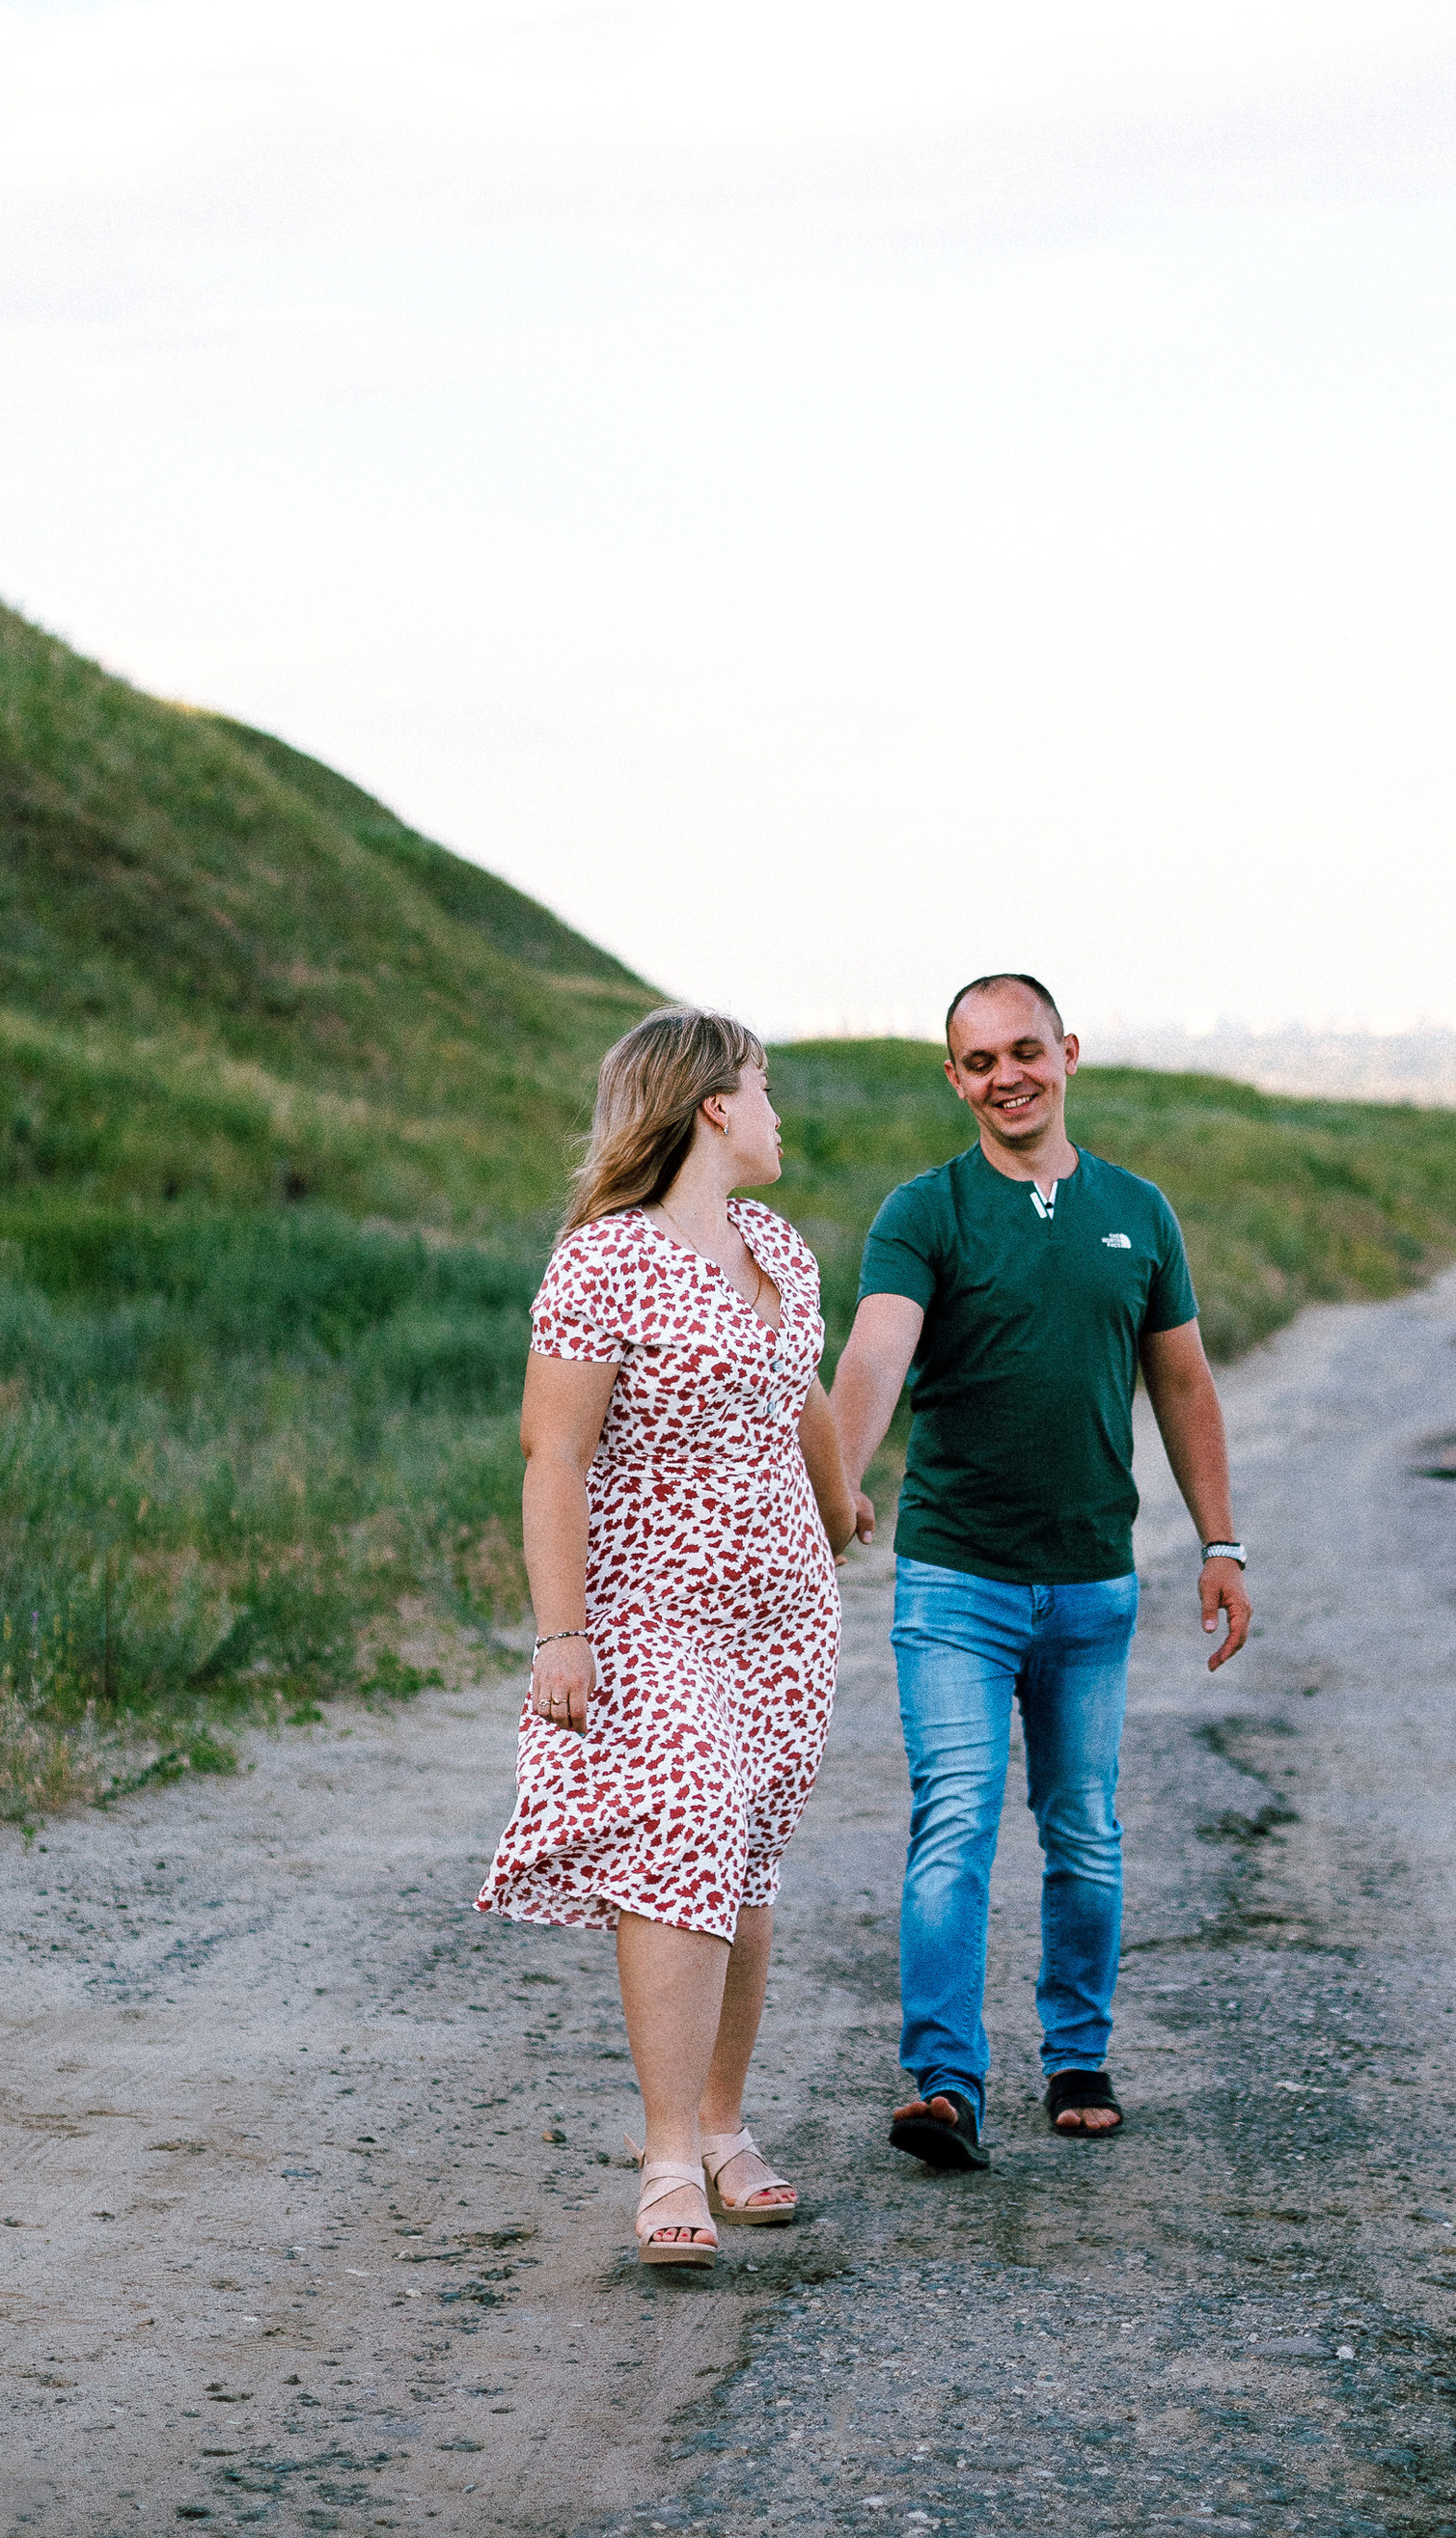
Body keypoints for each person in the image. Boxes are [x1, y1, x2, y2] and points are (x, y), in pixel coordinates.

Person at [832, 973, 1250, 2167]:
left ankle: (1077, 2055)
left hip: (1090, 1585)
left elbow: (1182, 1383)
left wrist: (1220, 1543)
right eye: (977, 1062)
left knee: (1085, 1831)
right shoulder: (927, 1212)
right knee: (952, 1822)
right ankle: (946, 2084)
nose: (1005, 1076)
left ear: (1066, 1051)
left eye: (1024, 1050)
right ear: (953, 1079)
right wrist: (833, 1482)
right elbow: (875, 1356)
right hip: (955, 1582)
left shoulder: (1138, 1211)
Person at [477, 1007, 870, 2271]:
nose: (775, 1113)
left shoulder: (777, 1248)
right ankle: (661, 2159)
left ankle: (723, 2129)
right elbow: (556, 1451)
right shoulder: (603, 1263)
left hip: (784, 1615)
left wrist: (839, 1493)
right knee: (684, 1832)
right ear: (711, 1106)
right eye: (761, 1089)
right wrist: (560, 1631)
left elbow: (797, 1380)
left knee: (743, 1864)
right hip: (651, 1610)